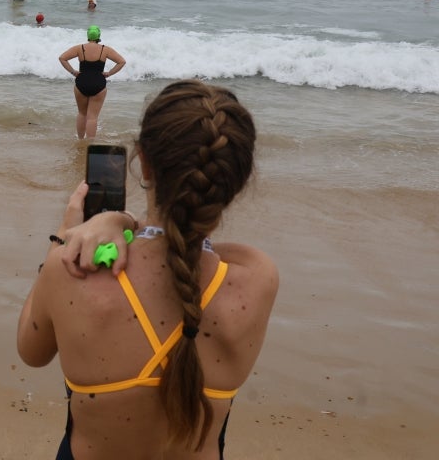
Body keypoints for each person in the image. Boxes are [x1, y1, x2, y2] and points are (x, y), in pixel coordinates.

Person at [17, 79, 278, 460]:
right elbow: (187, 246)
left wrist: (72, 233)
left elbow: (31, 352)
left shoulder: (71, 271)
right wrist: (128, 225)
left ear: (144, 162)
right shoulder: (257, 279)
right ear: (236, 182)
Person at [58, 25, 126, 139]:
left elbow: (62, 58)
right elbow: (122, 62)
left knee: (82, 113)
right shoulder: (105, 49)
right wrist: (109, 73)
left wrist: (73, 72)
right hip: (98, 84)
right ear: (99, 36)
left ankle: (80, 140)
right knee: (92, 117)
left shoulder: (80, 48)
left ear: (88, 35)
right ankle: (90, 144)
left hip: (81, 83)